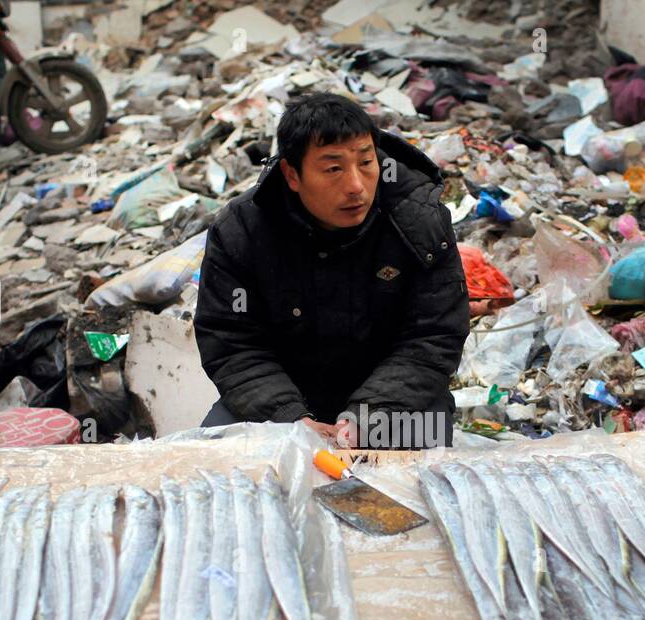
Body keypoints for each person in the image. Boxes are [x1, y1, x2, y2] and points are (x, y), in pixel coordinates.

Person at [193, 92, 467, 448]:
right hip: (281, 402)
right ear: (292, 174)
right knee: (221, 456)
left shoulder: (419, 223)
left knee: (413, 474)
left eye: (366, 163)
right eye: (333, 168)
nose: (355, 186)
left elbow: (434, 336)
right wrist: (290, 419)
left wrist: (368, 416)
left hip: (396, 403)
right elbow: (231, 342)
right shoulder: (241, 232)